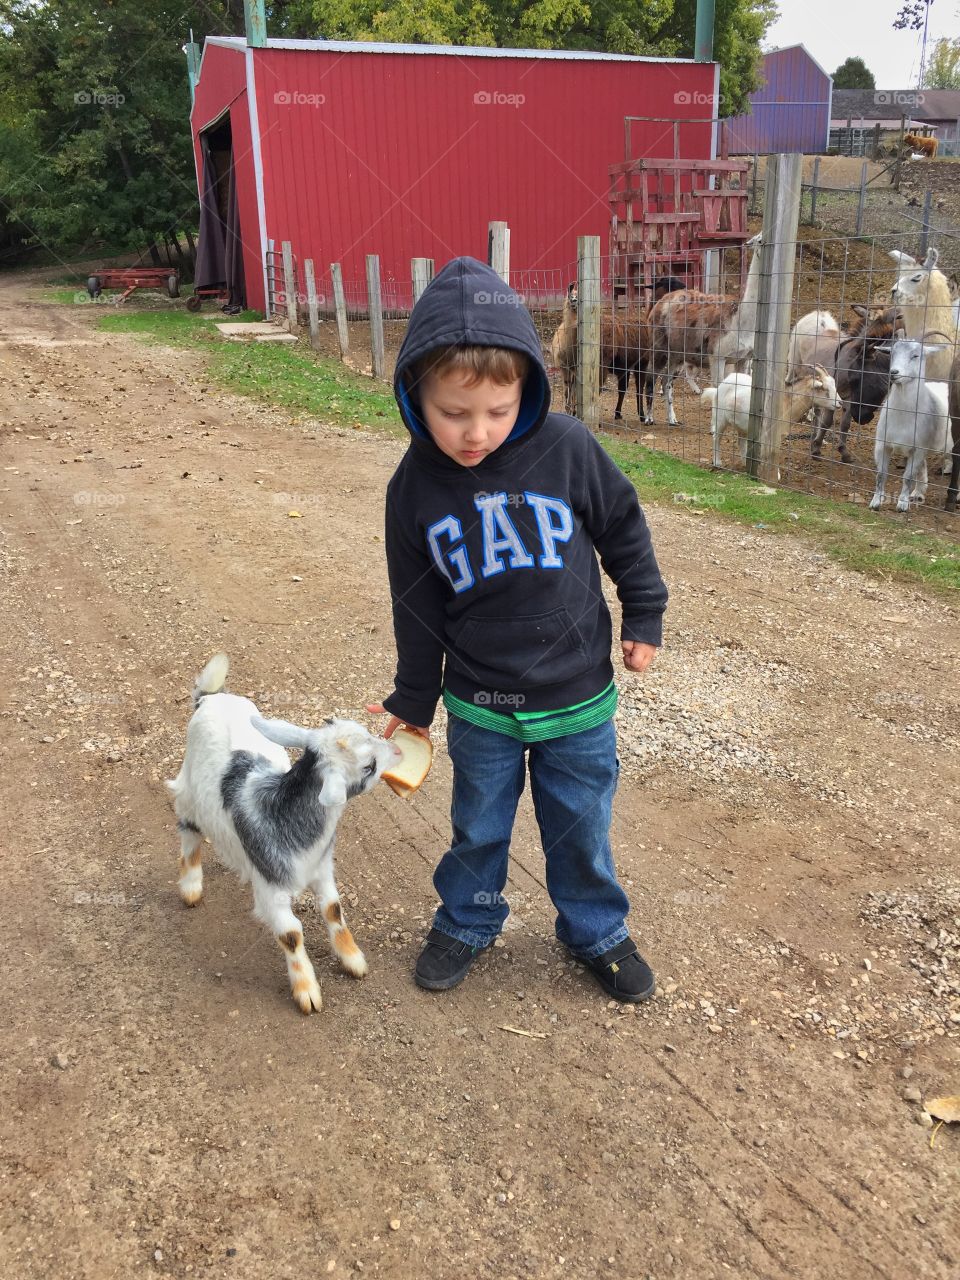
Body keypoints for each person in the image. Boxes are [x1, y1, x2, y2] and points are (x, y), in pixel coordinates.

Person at [367, 256, 668, 1003]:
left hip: (578, 697)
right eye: (453, 413)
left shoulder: (567, 447)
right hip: (480, 704)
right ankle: (467, 920)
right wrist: (415, 697)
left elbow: (624, 529)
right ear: (414, 395)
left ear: (527, 388)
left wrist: (645, 612)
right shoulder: (412, 489)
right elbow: (415, 605)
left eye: (498, 412)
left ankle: (595, 928)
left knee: (581, 824)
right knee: (478, 826)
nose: (477, 433)